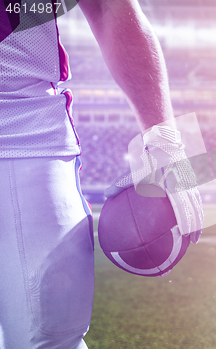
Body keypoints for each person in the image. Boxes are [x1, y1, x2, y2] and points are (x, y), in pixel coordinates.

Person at [0, 0, 179, 347]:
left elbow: (108, 4)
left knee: (49, 338)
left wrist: (166, 147)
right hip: (27, 140)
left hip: (23, 135)